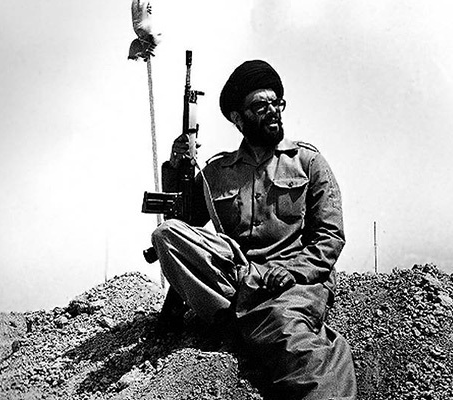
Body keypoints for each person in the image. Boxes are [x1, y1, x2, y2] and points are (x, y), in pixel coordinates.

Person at [151, 59, 357, 400]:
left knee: (291, 339)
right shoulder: (217, 171)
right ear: (238, 118)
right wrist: (177, 166)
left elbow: (330, 236)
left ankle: (240, 323)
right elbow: (183, 221)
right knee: (166, 235)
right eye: (261, 106)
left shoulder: (308, 163)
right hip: (236, 277)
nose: (273, 111)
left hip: (288, 283)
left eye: (277, 103)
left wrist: (294, 271)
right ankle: (229, 316)